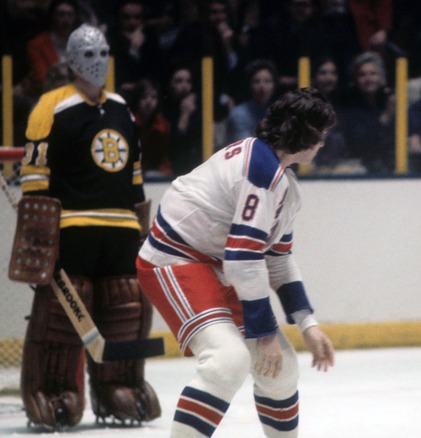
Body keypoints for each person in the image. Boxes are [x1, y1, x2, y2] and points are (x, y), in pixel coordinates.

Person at [136, 87, 335, 438]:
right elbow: (243, 259)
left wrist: (309, 324)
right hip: (174, 259)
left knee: (283, 369)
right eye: (320, 135)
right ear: (303, 134)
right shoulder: (261, 171)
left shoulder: (280, 179)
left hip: (215, 265)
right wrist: (265, 333)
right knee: (228, 361)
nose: (323, 144)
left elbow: (277, 260)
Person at [18, 23, 160, 429]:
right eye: (88, 54)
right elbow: (35, 174)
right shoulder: (52, 105)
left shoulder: (120, 108)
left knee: (126, 306)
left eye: (103, 54)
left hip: (118, 229)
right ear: (71, 59)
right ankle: (53, 389)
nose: (97, 62)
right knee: (63, 313)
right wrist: (39, 237)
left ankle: (119, 386)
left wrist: (140, 227)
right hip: (72, 226)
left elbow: (133, 175)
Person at [339, 51, 396, 174]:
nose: (368, 79)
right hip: (360, 168)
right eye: (362, 75)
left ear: (381, 77)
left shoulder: (390, 101)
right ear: (356, 79)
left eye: (373, 74)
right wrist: (385, 118)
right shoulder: (349, 107)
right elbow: (360, 143)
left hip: (391, 165)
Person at [225, 59, 279, 143]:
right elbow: (245, 147)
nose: (262, 87)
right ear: (249, 85)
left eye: (267, 81)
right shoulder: (239, 114)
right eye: (256, 82)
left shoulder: (280, 112)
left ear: (274, 85)